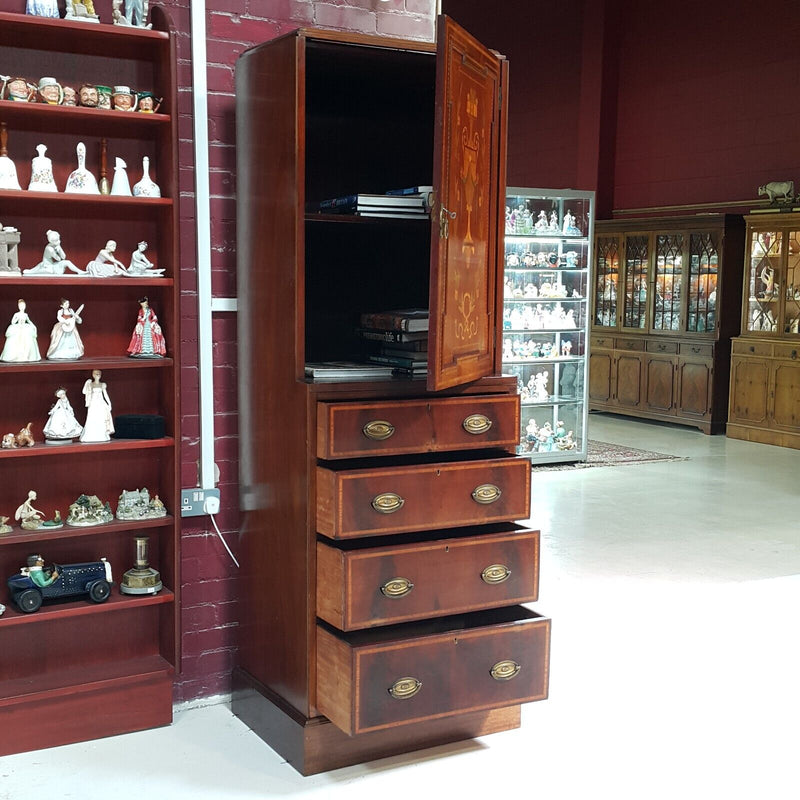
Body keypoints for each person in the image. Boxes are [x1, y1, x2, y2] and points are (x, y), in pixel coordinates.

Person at [80, 369, 114, 442]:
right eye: (96, 374)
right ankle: (91, 435)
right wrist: (86, 384)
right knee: (92, 417)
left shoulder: (102, 385)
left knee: (101, 417)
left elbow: (105, 395)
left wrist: (109, 403)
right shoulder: (90, 384)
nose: (97, 376)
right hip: (93, 403)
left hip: (101, 402)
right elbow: (84, 392)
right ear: (93, 375)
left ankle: (102, 435)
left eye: (99, 374)